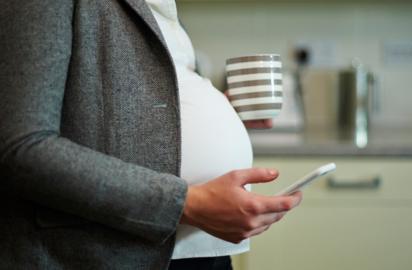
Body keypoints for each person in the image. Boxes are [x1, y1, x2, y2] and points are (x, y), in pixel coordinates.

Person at [0, 1, 302, 269]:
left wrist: (213, 111)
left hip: (201, 249)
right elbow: (22, 149)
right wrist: (185, 204)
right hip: (101, 254)